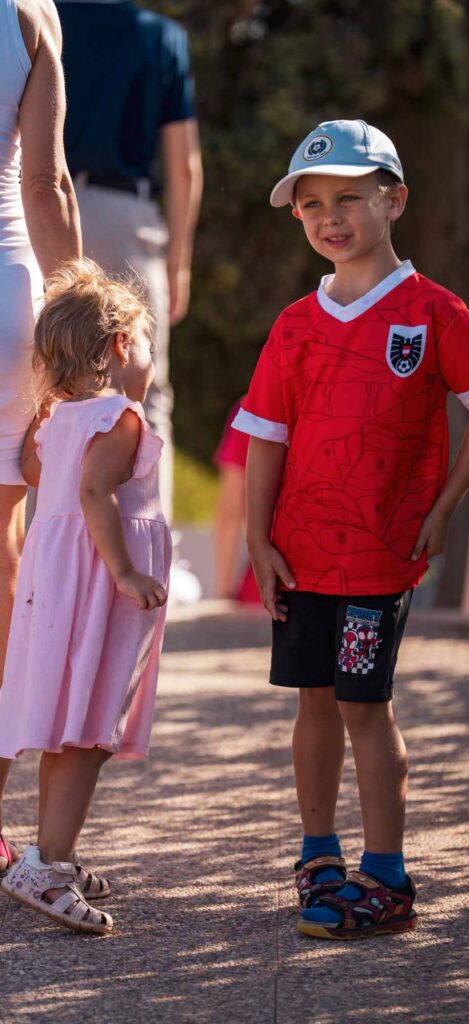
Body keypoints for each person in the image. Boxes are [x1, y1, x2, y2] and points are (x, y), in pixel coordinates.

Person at [233, 119, 469, 940]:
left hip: (379, 561)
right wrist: (257, 540)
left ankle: (387, 879)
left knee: (364, 707)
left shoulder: (433, 312)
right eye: (313, 204)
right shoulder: (294, 323)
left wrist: (444, 506)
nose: (331, 217)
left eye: (350, 198)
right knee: (313, 703)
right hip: (300, 556)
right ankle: (319, 857)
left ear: (395, 200)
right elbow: (265, 437)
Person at [0, 259, 171, 934]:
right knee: (88, 729)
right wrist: (125, 572)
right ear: (122, 346)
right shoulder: (120, 418)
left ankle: (50, 851)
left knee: (67, 722)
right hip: (100, 589)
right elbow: (95, 492)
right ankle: (44, 868)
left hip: (58, 585)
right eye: (148, 343)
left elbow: (39, 473)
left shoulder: (58, 420)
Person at [55, 0, 204, 521]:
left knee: (38, 378)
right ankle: (148, 537)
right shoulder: (162, 36)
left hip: (41, 203)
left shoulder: (38, 15)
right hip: (125, 216)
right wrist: (179, 262)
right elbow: (184, 165)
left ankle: (37, 544)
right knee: (144, 383)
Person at [0, 0, 81, 874]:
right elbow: (44, 181)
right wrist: (86, 328)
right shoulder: (27, 10)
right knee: (2, 555)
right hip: (7, 297)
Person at [214, 398, 260, 603]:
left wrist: (224, 591)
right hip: (351, 587)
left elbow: (231, 509)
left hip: (267, 590)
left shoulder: (255, 407)